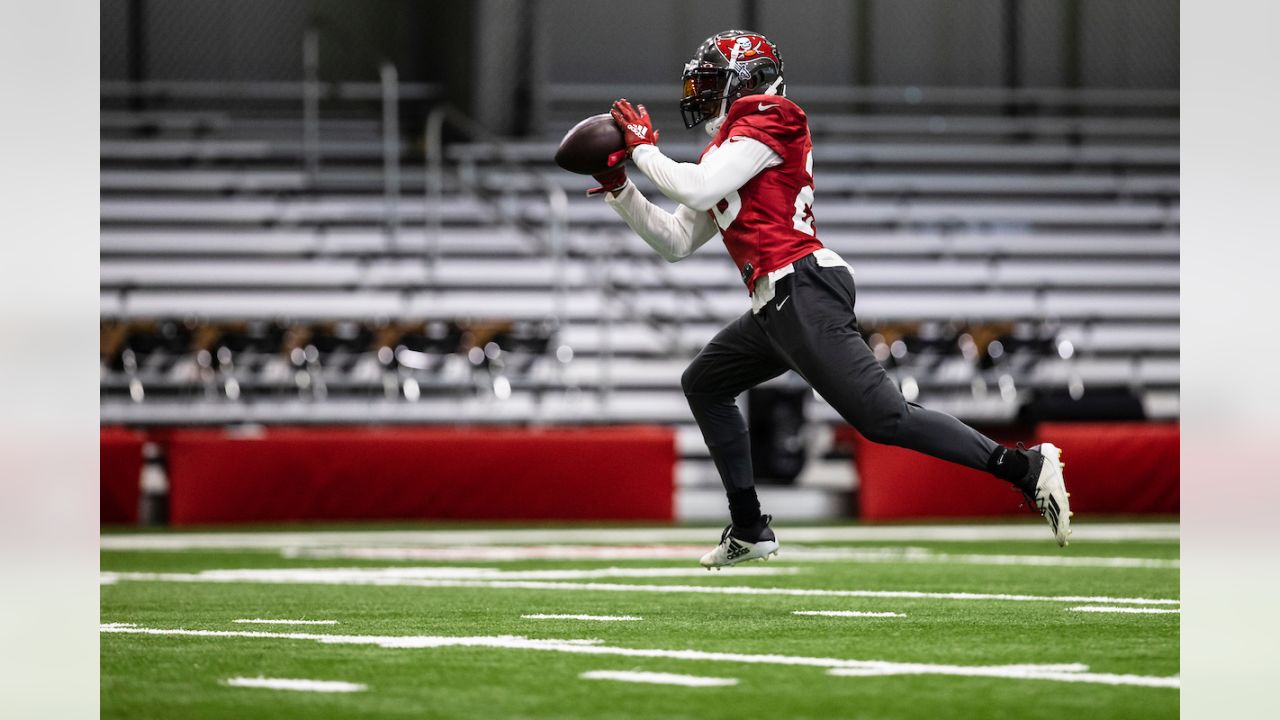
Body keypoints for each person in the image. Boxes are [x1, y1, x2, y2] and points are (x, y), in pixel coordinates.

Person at [589, 30, 1071, 568]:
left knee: (885, 419)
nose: (699, 95)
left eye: (710, 83)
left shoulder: (774, 115)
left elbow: (697, 188)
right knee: (704, 383)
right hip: (775, 305)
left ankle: (1023, 469)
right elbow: (675, 241)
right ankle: (749, 527)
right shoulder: (726, 151)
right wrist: (620, 189)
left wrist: (642, 149)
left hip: (803, 289)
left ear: (746, 81)